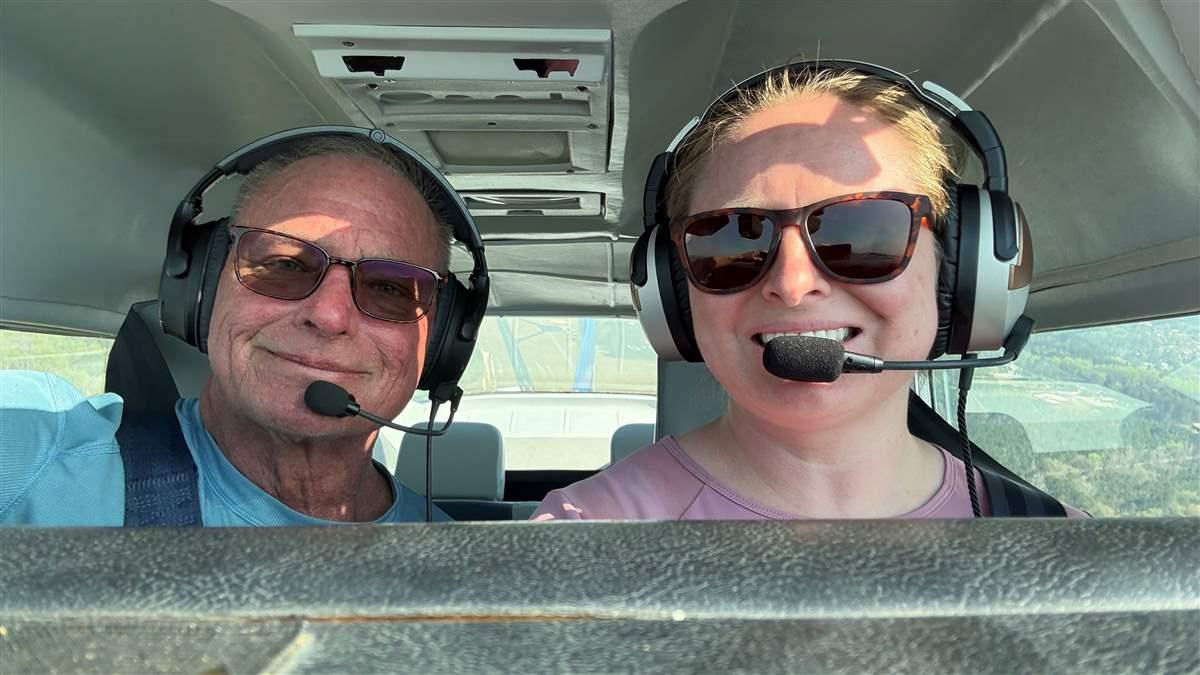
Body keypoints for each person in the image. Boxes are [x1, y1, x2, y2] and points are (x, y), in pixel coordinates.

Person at [534, 61, 1084, 520]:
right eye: (732, 240)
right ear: (673, 290)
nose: (792, 285)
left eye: (862, 234)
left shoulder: (1062, 550)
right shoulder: (582, 539)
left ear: (959, 270)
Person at [1, 129, 485, 525]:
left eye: (389, 288)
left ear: (440, 342)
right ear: (202, 286)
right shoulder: (39, 459)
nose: (328, 316)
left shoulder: (464, 572)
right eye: (284, 265)